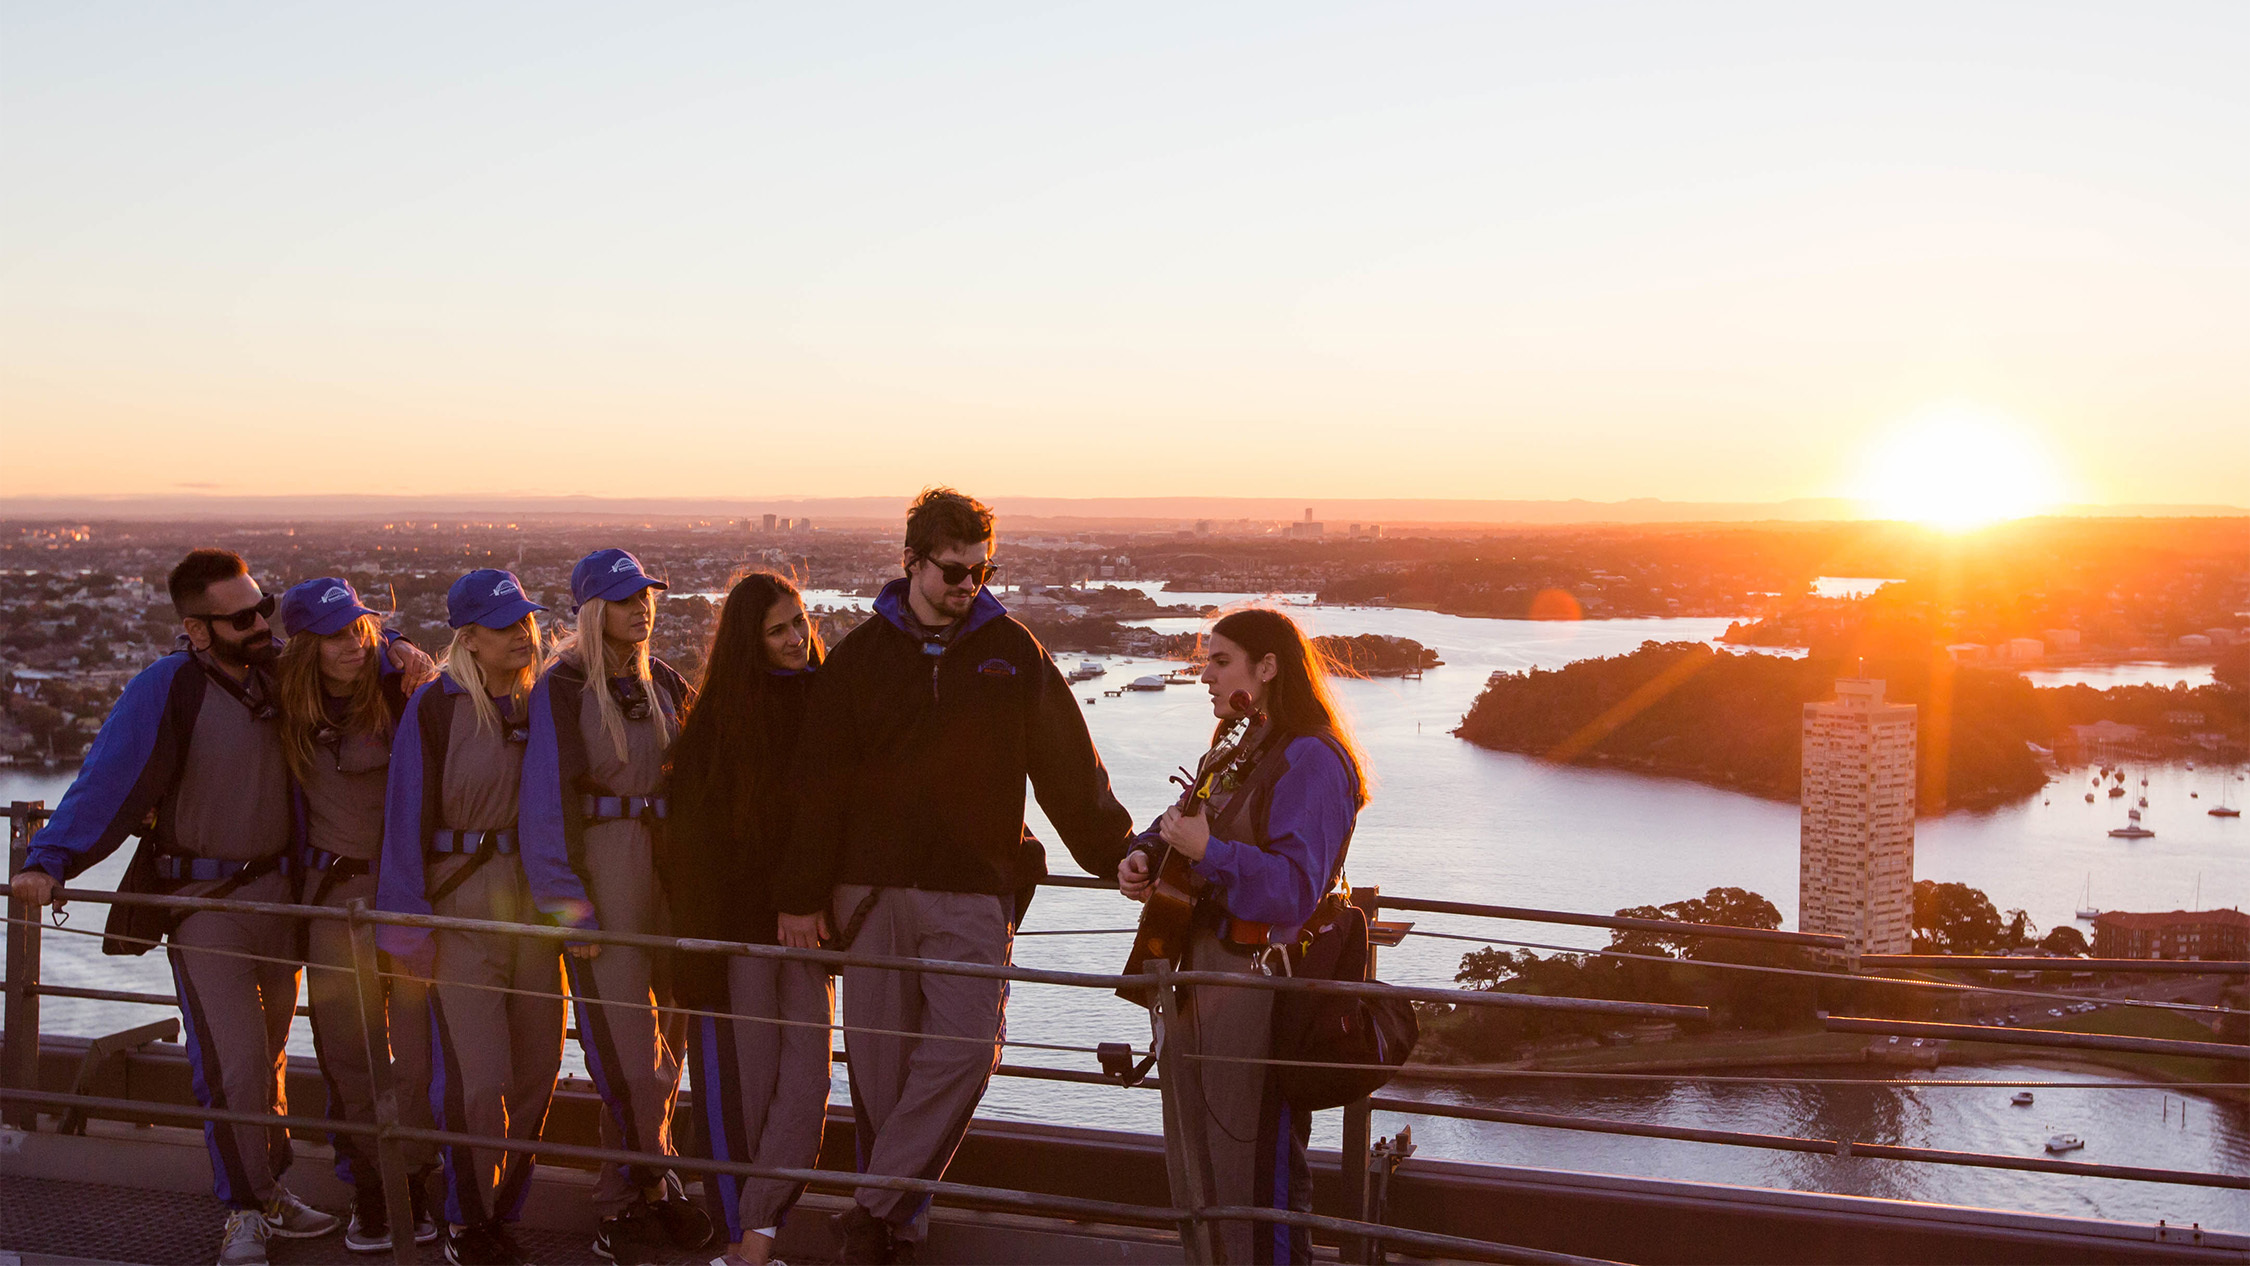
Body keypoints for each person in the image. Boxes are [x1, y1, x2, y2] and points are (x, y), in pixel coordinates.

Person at [773, 487, 1133, 1265]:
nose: (968, 585)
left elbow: (1070, 770)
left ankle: (868, 1211)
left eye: (980, 570)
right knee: (881, 1078)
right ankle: (894, 1237)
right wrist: (801, 896)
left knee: (969, 1049)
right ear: (910, 562)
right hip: (869, 896)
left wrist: (1117, 852)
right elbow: (818, 788)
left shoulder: (1013, 652)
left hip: (975, 889)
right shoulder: (859, 660)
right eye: (952, 570)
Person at [9, 550, 352, 1266]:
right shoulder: (167, 688)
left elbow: (364, 671)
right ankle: (244, 1209)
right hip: (205, 903)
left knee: (269, 1059)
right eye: (241, 617)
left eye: (263, 607)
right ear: (197, 630)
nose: (261, 623)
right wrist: (48, 862)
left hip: (282, 901)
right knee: (232, 1061)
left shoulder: (279, 675)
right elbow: (108, 780)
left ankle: (271, 1189)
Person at [1116, 608, 1369, 1266]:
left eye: (1219, 660)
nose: (1205, 674)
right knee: (1198, 1167)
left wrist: (1207, 853)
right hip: (1202, 978)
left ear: (1268, 667)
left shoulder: (1312, 759)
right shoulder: (1235, 742)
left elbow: (1294, 890)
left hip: (1259, 985)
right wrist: (1146, 854)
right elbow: (1188, 819)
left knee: (1254, 1173)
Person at [520, 548, 709, 1263]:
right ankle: (641, 1192)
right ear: (595, 608)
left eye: (648, 597)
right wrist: (569, 908)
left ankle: (638, 1195)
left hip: (665, 874)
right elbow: (544, 804)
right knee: (629, 1054)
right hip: (605, 874)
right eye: (628, 599)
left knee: (670, 1048)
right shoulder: (561, 688)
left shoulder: (659, 679)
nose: (643, 608)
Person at [375, 569, 563, 1266]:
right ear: (469, 638)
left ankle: (501, 1208)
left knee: (540, 1070)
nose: (522, 633)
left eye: (525, 621)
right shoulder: (437, 709)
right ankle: (466, 1216)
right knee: (477, 1081)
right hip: (460, 904)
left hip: (534, 908)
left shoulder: (543, 703)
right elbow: (403, 822)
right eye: (504, 624)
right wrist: (407, 928)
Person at [662, 572, 830, 1266]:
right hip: (736, 943)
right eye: (778, 629)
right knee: (741, 1093)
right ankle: (741, 1240)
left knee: (808, 1083)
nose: (797, 639)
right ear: (747, 641)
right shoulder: (715, 732)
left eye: (800, 622)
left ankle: (757, 1232)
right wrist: (700, 957)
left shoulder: (829, 705)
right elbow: (693, 854)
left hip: (807, 933)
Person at [274, 576, 441, 1254]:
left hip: (404, 893)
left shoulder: (406, 687)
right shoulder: (283, 697)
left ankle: (417, 1182)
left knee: (418, 1051)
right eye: (337, 633)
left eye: (361, 628)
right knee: (347, 1053)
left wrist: (400, 649)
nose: (354, 642)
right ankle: (371, 1189)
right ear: (305, 644)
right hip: (332, 901)